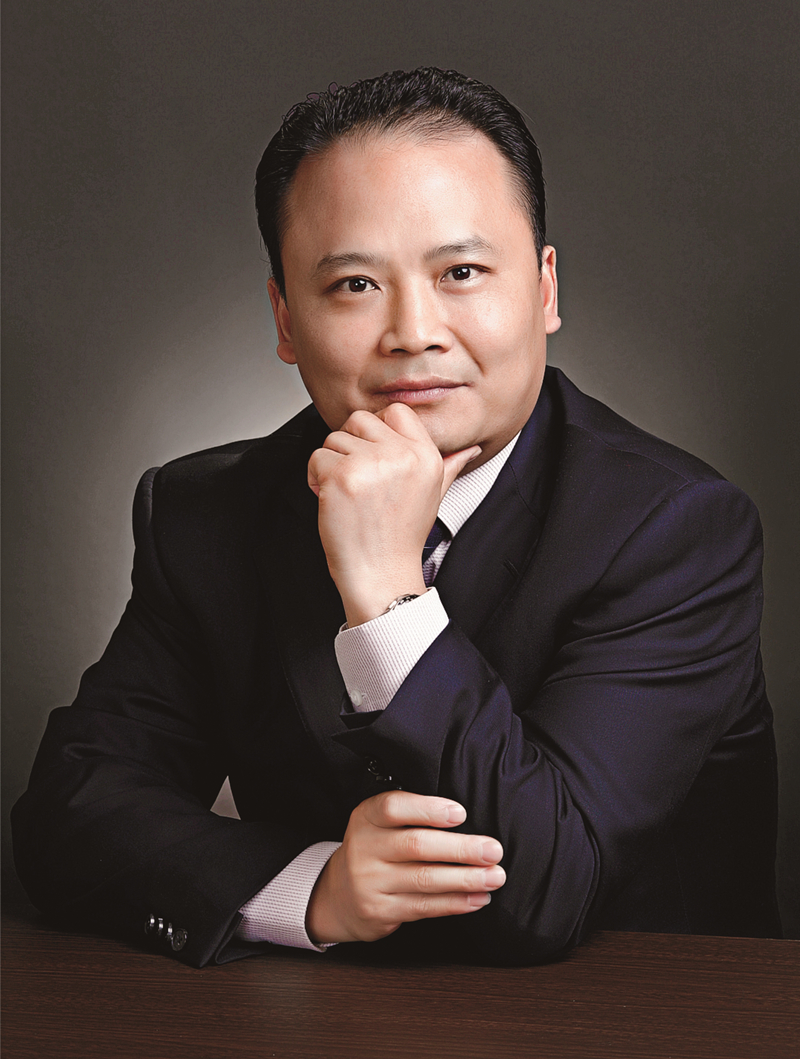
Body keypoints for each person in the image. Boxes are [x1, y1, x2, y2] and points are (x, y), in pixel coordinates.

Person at [12, 68, 781, 967]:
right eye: (353, 285)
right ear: (285, 318)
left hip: (637, 1012)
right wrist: (313, 887)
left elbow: (543, 887)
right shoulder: (209, 514)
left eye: (462, 272)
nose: (413, 331)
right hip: (317, 1020)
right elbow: (71, 811)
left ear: (543, 290)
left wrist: (386, 591)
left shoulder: (676, 529)